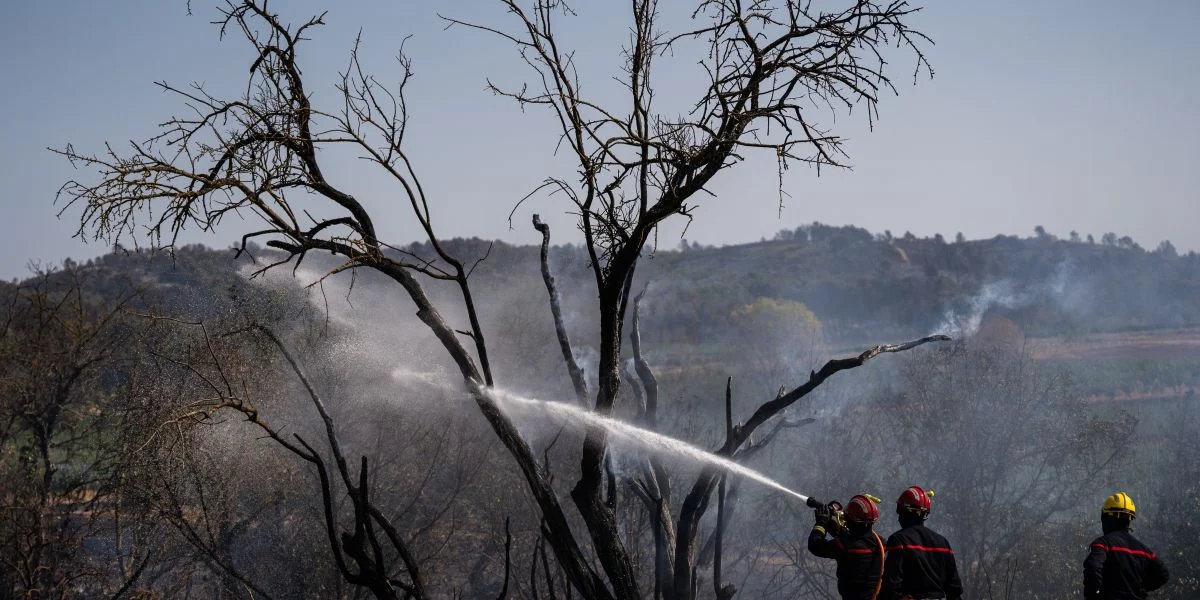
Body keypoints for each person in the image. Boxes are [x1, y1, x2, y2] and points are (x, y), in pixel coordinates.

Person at [880, 485, 962, 600]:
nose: (898, 518)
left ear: (905, 511)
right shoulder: (943, 543)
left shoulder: (898, 541)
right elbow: (954, 588)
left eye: (899, 511)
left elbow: (891, 584)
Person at [1083, 491, 1169, 599]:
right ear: (1129, 519)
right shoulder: (1143, 550)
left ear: (1105, 518)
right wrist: (1139, 588)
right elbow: (1163, 574)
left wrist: (1095, 596)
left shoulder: (1102, 544)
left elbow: (1093, 567)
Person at [808, 494, 887, 600]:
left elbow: (815, 545)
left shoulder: (846, 545)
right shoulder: (880, 542)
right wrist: (829, 522)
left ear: (853, 520)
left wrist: (821, 523)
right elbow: (850, 536)